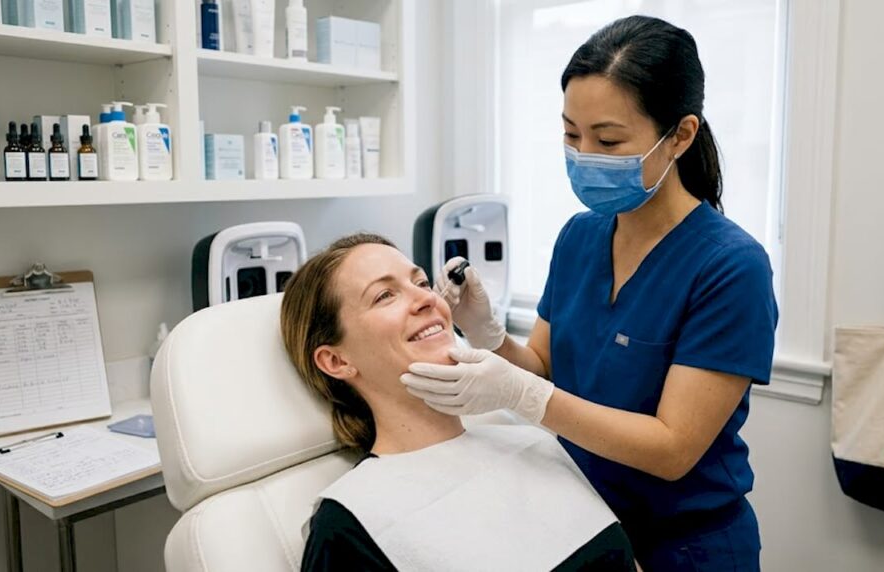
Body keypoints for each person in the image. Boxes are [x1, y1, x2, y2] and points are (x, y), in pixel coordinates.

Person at [401, 16, 778, 572]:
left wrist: (522, 396)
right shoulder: (580, 237)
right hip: (580, 522)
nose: (582, 155)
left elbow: (673, 449)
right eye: (570, 134)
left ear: (680, 135)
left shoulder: (730, 267)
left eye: (607, 139)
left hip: (686, 546)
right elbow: (543, 370)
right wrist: (489, 334)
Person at [280, 233, 638, 572]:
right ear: (336, 362)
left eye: (420, 283)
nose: (428, 299)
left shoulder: (531, 443)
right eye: (384, 296)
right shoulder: (351, 521)